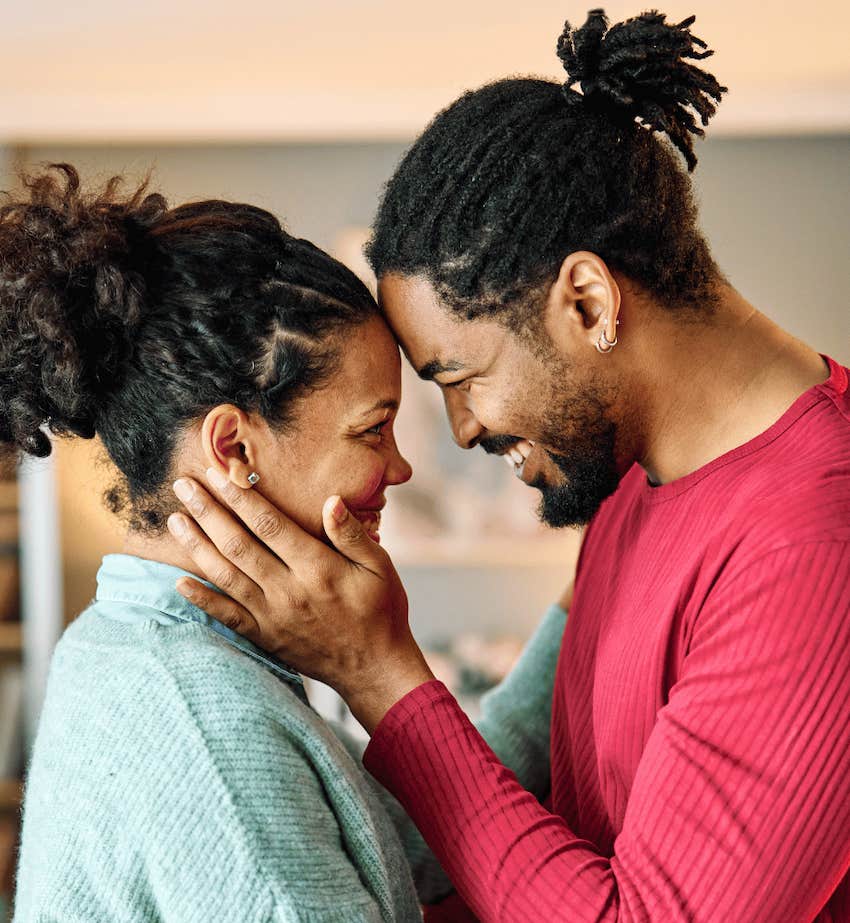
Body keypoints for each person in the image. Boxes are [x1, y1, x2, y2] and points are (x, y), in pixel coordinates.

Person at [167, 9, 850, 923]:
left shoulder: (813, 541)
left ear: (587, 299)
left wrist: (380, 673)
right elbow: (558, 831)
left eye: (460, 376)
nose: (459, 431)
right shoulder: (629, 478)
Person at [1, 165, 569, 922]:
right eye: (372, 429)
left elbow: (408, 841)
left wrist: (586, 589)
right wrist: (376, 660)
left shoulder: (135, 647)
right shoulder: (205, 722)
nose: (398, 467)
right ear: (234, 447)